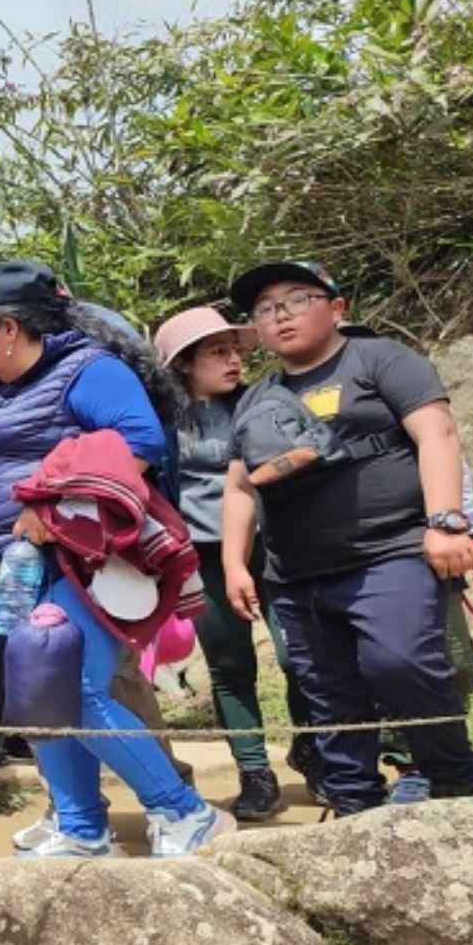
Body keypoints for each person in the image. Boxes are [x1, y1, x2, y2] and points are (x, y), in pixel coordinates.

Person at [0, 261, 232, 858]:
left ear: (8, 327)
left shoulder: (91, 372)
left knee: (76, 688)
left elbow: (139, 443)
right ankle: (81, 826)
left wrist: (56, 507)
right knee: (39, 698)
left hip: (77, 560)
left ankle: (185, 811)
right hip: (7, 563)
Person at [221, 261, 473, 812]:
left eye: (296, 300)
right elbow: (241, 486)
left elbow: (437, 433)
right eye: (265, 309)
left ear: (336, 307)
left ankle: (451, 779)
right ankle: (352, 801)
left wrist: (446, 522)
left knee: (400, 664)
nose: (280, 316)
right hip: (296, 572)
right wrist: (234, 563)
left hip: (392, 552)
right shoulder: (256, 398)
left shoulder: (380, 360)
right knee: (327, 692)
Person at [153, 307, 300, 821]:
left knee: (297, 655)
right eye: (217, 352)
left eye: (235, 349)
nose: (233, 359)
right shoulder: (160, 418)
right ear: (185, 364)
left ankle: (317, 751)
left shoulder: (262, 402)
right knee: (230, 665)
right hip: (201, 555)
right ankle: (255, 772)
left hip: (274, 543)